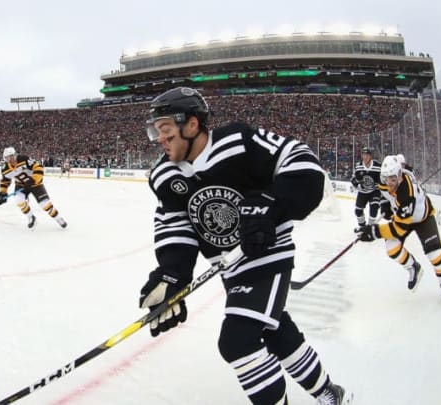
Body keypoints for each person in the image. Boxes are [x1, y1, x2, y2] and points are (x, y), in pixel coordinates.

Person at [141, 87, 351, 405]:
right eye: (156, 132)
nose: (160, 139)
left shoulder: (239, 142)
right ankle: (328, 393)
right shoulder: (165, 175)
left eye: (166, 130)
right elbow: (176, 226)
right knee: (274, 328)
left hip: (268, 253)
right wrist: (171, 276)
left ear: (192, 125)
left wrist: (271, 204)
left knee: (237, 342)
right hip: (230, 266)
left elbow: (302, 162)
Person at [355, 155, 441, 302]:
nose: (390, 183)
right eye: (387, 179)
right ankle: (413, 267)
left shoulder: (406, 193)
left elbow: (399, 229)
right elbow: (384, 193)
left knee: (435, 255)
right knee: (392, 248)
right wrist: (385, 205)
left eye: (393, 179)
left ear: (400, 175)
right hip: (404, 215)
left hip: (422, 218)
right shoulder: (385, 180)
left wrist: (375, 232)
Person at [0, 147, 67, 230]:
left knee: (45, 205)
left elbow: (38, 167)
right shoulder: (5, 168)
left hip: (35, 184)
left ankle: (58, 218)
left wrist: (33, 179)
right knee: (19, 200)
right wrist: (2, 193)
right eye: (7, 157)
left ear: (15, 155)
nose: (10, 159)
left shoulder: (24, 159)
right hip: (21, 185)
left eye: (11, 156)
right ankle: (31, 217)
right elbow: (5, 181)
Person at [350, 147, 383, 226]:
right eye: (363, 155)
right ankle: (362, 227)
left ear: (370, 156)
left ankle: (370, 227)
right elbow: (353, 179)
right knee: (358, 211)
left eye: (367, 155)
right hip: (362, 192)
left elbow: (383, 179)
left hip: (375, 191)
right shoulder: (358, 166)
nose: (365, 157)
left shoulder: (378, 166)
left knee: (374, 207)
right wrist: (357, 183)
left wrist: (380, 185)